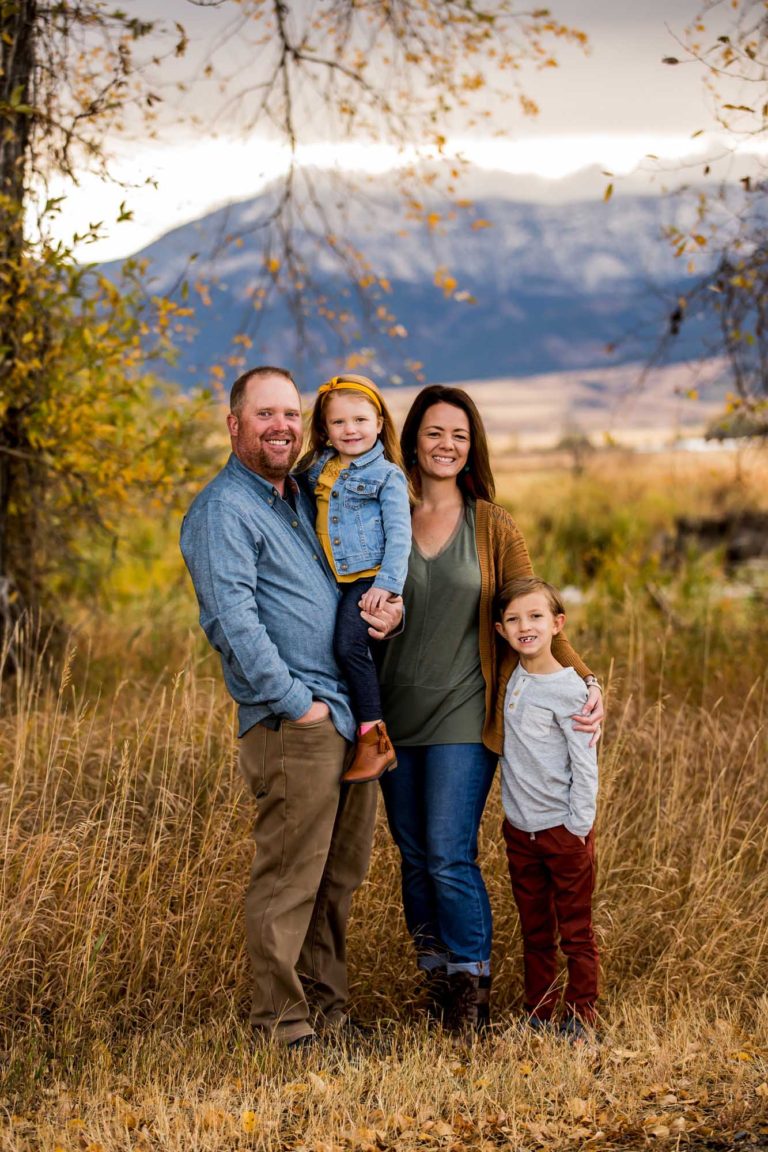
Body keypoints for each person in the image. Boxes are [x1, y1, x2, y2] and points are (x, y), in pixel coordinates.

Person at [179, 365, 402, 1048]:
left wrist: (384, 613)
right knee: (290, 880)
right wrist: (293, 702)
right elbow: (232, 622)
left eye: (290, 414)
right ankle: (282, 1028)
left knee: (338, 879)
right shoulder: (224, 509)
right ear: (234, 424)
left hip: (345, 717)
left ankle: (330, 1017)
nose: (281, 426)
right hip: (295, 724)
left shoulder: (303, 495)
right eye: (264, 414)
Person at [376, 384, 603, 1033]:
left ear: (471, 447)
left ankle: (472, 990)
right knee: (414, 855)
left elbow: (537, 613)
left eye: (459, 435)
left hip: (465, 713)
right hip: (393, 714)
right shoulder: (384, 515)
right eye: (435, 432)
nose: (447, 445)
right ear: (412, 438)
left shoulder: (493, 524)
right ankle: (437, 976)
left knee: (449, 851)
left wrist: (589, 683)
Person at [494, 576, 599, 1039]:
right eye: (514, 620)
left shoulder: (570, 690)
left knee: (575, 930)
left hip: (563, 831)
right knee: (535, 929)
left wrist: (578, 826)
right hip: (521, 831)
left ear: (558, 624)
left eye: (536, 616)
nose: (525, 626)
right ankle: (538, 1011)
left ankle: (580, 1016)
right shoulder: (513, 675)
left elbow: (585, 763)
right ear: (501, 631)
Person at [296, 374, 411, 783]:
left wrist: (387, 585)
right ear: (325, 431)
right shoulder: (318, 468)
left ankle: (374, 738)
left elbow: (400, 536)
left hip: (367, 580)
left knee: (348, 647)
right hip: (330, 578)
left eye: (361, 420)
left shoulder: (387, 476)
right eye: (339, 423)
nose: (351, 430)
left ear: (379, 423)